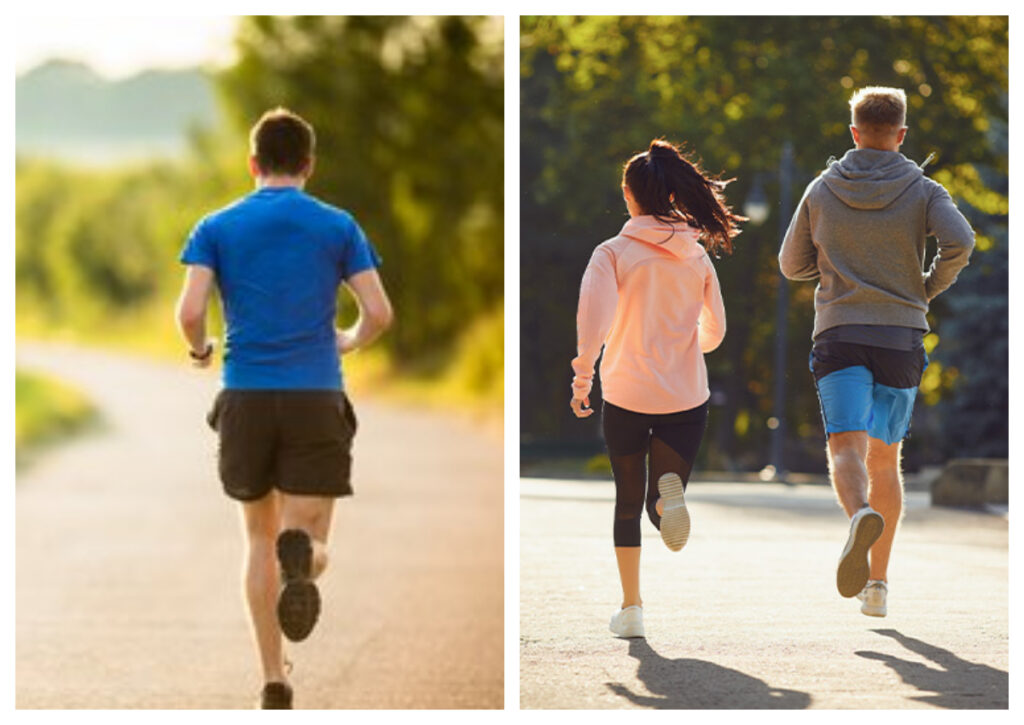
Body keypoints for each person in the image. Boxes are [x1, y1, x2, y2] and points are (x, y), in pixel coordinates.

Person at [175, 108, 393, 708]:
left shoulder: (216, 226)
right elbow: (379, 313)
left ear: (253, 164)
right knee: (306, 536)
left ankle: (273, 679)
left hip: (245, 394)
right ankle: (308, 560)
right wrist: (349, 339)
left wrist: (200, 352)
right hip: (315, 394)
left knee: (256, 539)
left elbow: (191, 312)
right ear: (308, 164)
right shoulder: (337, 225)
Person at [779, 87, 974, 617]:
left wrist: (834, 270)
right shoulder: (924, 189)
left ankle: (859, 513)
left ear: (854, 132)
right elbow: (962, 243)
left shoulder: (822, 188)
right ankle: (878, 587)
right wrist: (924, 288)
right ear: (902, 134)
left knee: (845, 446)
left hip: (839, 333)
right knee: (886, 458)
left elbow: (790, 264)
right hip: (900, 337)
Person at [570, 139, 742, 639]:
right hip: (686, 395)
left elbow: (592, 322)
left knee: (626, 501)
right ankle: (670, 502)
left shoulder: (613, 253)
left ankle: (632, 610)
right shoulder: (696, 256)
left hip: (626, 393)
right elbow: (716, 331)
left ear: (629, 194)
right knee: (658, 500)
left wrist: (584, 378)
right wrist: (690, 344)